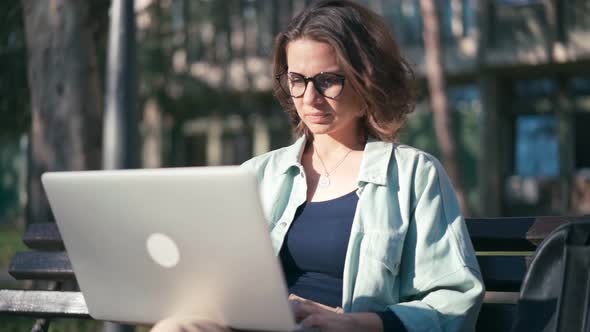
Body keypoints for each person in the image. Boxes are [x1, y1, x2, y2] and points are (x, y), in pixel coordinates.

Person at [152, 1, 484, 331]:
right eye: (297, 79)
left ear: (366, 80)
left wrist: (352, 323)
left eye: (327, 81)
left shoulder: (414, 175)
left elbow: (454, 299)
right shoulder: (257, 174)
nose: (309, 98)